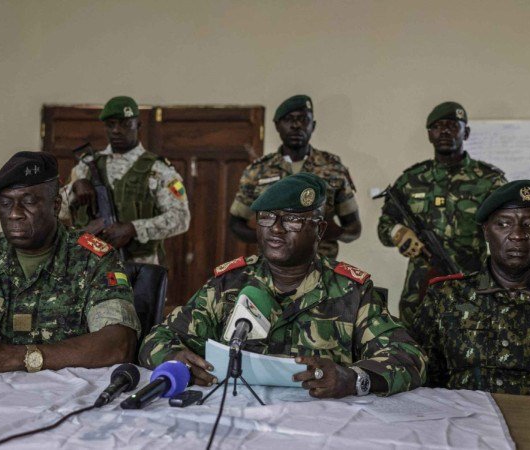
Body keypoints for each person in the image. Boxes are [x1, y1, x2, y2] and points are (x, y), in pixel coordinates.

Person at [140, 173, 426, 398]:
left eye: (292, 219)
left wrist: (354, 379)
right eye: (266, 217)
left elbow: (410, 357)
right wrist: (176, 359)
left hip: (323, 427)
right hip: (240, 419)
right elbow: (157, 338)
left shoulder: (351, 292)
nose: (276, 228)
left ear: (319, 230)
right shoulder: (228, 284)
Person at [0, 151, 140, 376]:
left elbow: (119, 344)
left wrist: (12, 357)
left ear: (56, 205)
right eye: (5, 203)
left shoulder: (93, 260)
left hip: (64, 393)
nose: (14, 214)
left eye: (28, 202)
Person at [413, 180, 530, 398]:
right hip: (466, 418)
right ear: (486, 232)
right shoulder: (445, 297)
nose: (517, 235)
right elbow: (419, 381)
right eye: (503, 224)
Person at [377, 101, 507, 326]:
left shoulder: (489, 180)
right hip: (418, 292)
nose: (445, 131)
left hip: (471, 288)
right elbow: (384, 225)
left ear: (466, 132)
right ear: (429, 134)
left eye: (453, 125)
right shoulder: (411, 179)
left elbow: (507, 233)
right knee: (414, 345)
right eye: (438, 126)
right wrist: (398, 232)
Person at [59, 96, 190, 265]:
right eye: (110, 124)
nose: (116, 130)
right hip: (90, 266)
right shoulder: (87, 166)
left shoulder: (158, 170)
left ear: (138, 125)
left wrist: (133, 228)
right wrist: (75, 187)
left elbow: (181, 218)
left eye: (125, 124)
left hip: (139, 266)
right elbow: (58, 210)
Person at [229, 95, 361, 259]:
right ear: (277, 125)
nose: (296, 125)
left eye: (303, 119)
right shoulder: (258, 171)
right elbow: (235, 224)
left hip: (320, 265)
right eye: (288, 119)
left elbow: (354, 228)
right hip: (273, 266)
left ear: (313, 125)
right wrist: (268, 235)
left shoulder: (333, 169)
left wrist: (335, 232)